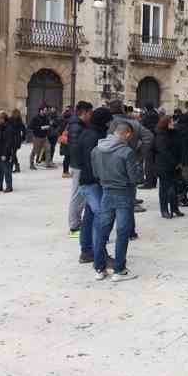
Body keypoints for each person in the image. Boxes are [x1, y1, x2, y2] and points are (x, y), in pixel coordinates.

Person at [91, 121, 144, 282]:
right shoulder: (126, 152)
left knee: (102, 231)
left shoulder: (96, 149)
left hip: (106, 192)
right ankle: (119, 269)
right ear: (127, 134)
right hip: (123, 193)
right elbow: (134, 178)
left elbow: (95, 173)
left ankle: (99, 268)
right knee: (122, 232)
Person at [108, 100, 153, 237]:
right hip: (129, 164)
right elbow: (149, 138)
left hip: (108, 165)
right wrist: (138, 155)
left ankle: (105, 233)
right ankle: (130, 231)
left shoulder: (107, 123)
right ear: (122, 109)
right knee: (128, 200)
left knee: (108, 201)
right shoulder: (134, 124)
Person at [76, 107, 112, 265]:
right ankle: (100, 254)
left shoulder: (87, 132)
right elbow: (95, 163)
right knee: (101, 217)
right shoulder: (95, 136)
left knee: (89, 217)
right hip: (93, 183)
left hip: (87, 180)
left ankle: (86, 251)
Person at [65, 101, 93, 238]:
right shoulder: (77, 126)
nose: (91, 116)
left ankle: (76, 223)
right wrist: (81, 164)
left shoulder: (78, 125)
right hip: (79, 165)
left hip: (78, 164)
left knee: (79, 195)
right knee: (78, 196)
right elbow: (76, 148)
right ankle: (74, 227)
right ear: (85, 112)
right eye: (90, 113)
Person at [153, 115, 183, 219]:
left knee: (174, 187)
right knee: (165, 189)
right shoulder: (160, 135)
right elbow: (163, 151)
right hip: (164, 165)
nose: (173, 124)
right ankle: (164, 210)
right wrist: (174, 162)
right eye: (170, 122)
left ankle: (175, 208)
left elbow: (180, 147)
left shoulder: (175, 133)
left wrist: (180, 161)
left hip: (175, 165)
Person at [0, 111, 18, 193]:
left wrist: (5, 153)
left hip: (5, 153)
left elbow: (9, 142)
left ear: (2, 119)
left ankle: (9, 186)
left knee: (6, 170)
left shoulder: (9, 128)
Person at [140, 102, 159, 189]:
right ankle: (154, 181)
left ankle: (148, 183)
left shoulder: (146, 116)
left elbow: (142, 126)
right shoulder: (156, 115)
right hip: (156, 139)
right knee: (154, 162)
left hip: (148, 140)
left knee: (148, 163)